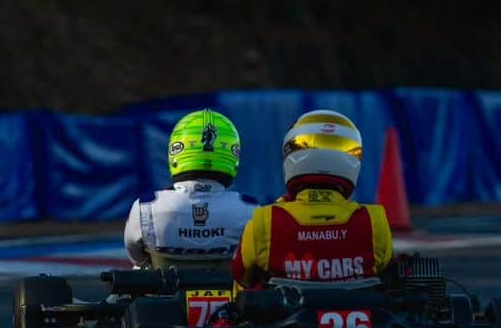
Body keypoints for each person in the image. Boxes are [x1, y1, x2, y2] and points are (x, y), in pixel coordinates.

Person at [231, 109, 393, 289]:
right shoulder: (374, 221)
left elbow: (241, 276)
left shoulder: (264, 222)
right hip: (361, 314)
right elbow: (387, 274)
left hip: (286, 316)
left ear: (291, 156)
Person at [124, 109, 257, 271]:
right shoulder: (250, 210)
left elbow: (138, 259)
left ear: (177, 151)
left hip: (165, 294)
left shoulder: (146, 207)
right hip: (231, 295)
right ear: (232, 153)